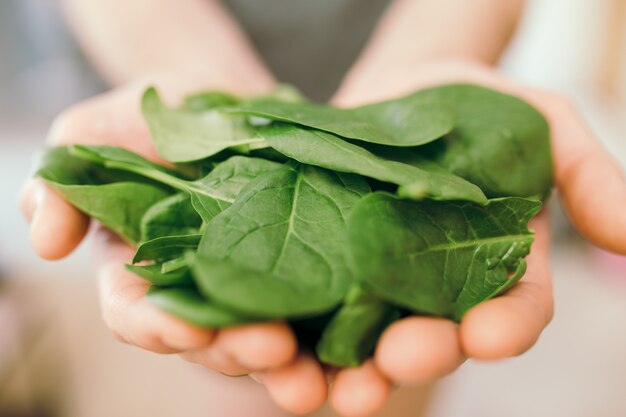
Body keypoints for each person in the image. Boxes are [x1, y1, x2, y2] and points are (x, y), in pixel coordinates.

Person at [19, 0, 626, 416]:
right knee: (242, 357)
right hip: (175, 51)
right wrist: (182, 61)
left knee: (390, 358)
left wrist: (438, 43)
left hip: (400, 72)